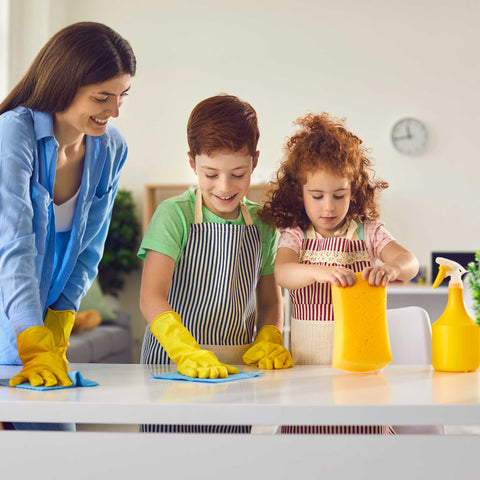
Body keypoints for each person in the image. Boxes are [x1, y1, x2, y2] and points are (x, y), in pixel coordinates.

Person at [0, 22, 136, 430]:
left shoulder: (110, 148)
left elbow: (90, 247)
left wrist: (59, 319)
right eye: (101, 97)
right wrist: (29, 333)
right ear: (63, 84)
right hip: (15, 316)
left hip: (40, 329)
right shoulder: (12, 135)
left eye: (122, 96)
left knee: (56, 449)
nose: (113, 111)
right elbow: (14, 242)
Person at [138, 94, 292, 433]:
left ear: (255, 161)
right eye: (211, 174)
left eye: (238, 174)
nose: (224, 187)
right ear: (192, 162)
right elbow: (151, 297)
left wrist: (269, 337)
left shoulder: (263, 223)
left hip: (238, 371)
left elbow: (270, 302)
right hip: (171, 366)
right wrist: (184, 350)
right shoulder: (173, 215)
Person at [260, 112, 419, 434]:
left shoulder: (368, 232)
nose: (328, 207)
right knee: (312, 442)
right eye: (317, 196)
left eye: (339, 195)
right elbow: (283, 273)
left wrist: (392, 267)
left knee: (362, 438)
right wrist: (319, 272)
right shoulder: (296, 234)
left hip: (362, 371)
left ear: (355, 190)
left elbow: (410, 261)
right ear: (299, 192)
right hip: (308, 368)